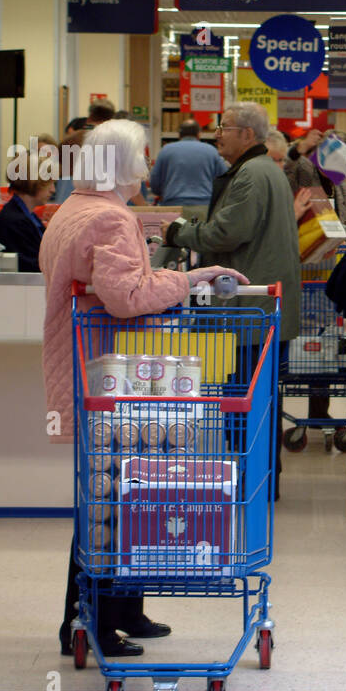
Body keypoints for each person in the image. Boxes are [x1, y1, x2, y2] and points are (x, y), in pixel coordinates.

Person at [41, 119, 246, 659]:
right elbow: (126, 296)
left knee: (111, 498)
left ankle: (119, 612)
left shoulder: (73, 209)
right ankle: (94, 624)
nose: (149, 165)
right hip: (115, 376)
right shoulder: (109, 217)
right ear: (124, 161)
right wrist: (191, 279)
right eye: (143, 155)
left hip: (93, 368)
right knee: (115, 501)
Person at [164, 102, 303, 499]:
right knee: (258, 399)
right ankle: (259, 478)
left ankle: (250, 480)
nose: (217, 134)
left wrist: (180, 232)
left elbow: (226, 234)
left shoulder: (251, 176)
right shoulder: (263, 171)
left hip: (249, 313)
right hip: (260, 310)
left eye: (224, 128)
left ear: (247, 134)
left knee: (243, 400)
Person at [143, 119, 227, 207]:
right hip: (204, 205)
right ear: (199, 134)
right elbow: (224, 180)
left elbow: (155, 182)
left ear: (179, 135)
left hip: (173, 203)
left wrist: (163, 193)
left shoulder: (166, 150)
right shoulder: (211, 151)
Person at [0, 168, 53, 272]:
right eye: (48, 183)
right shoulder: (14, 222)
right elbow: (34, 267)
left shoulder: (27, 216)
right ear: (32, 183)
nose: (53, 190)